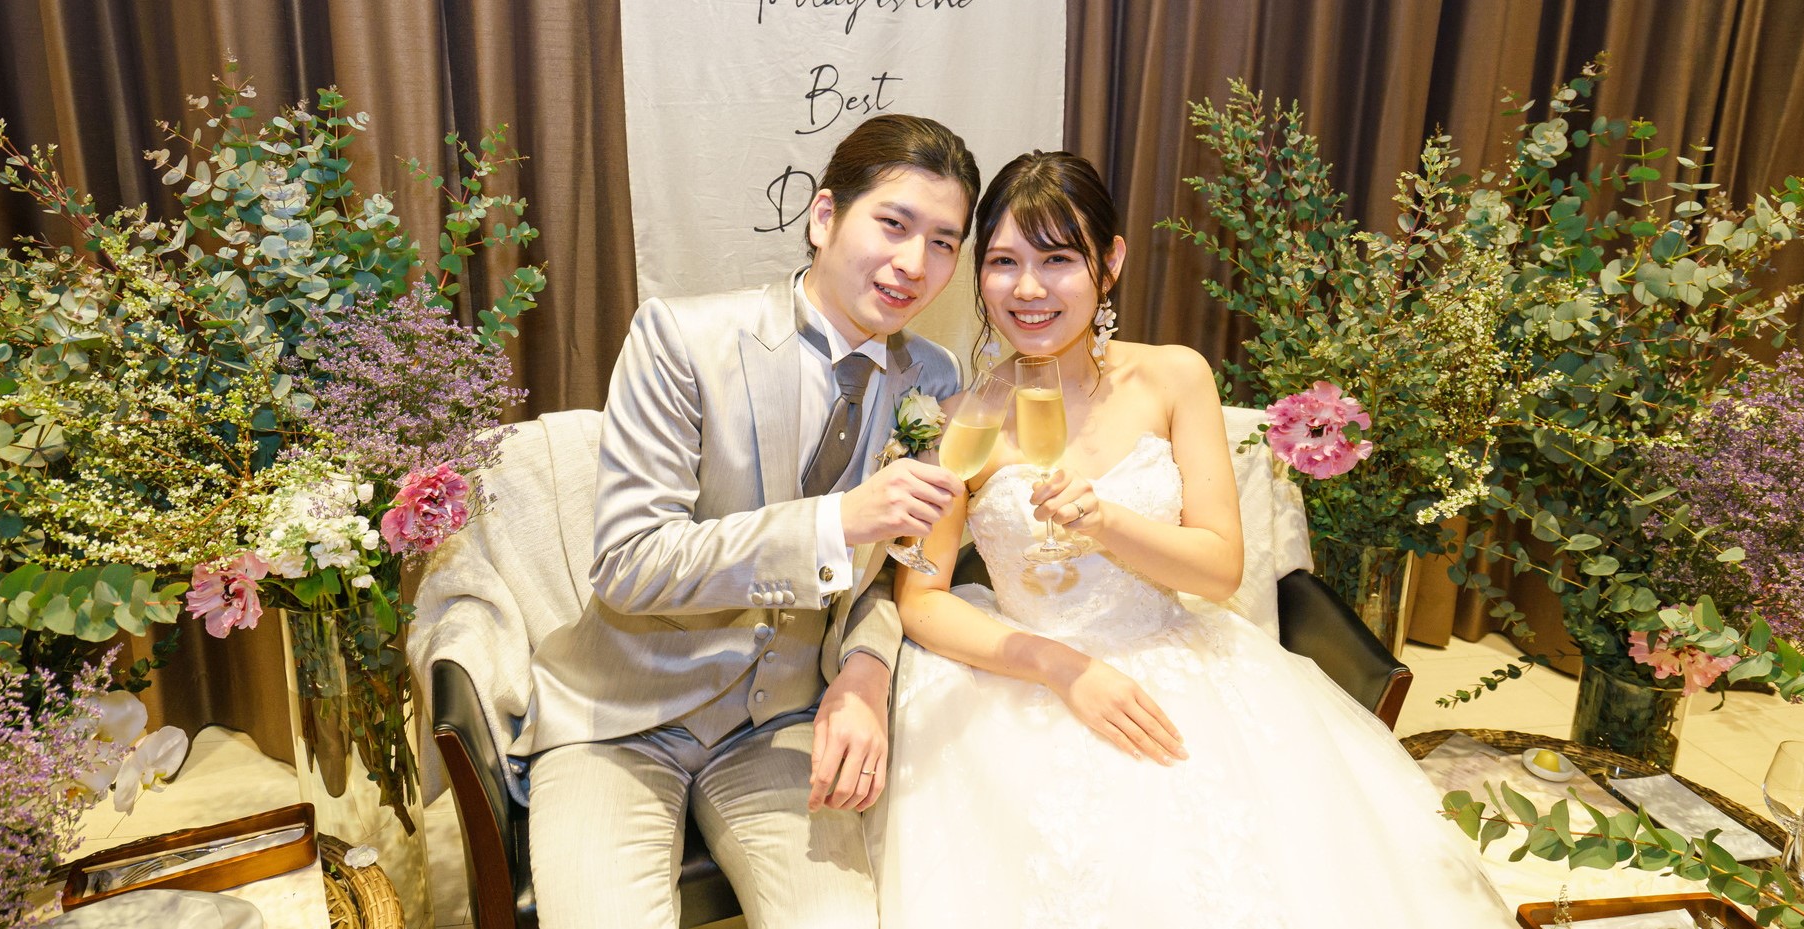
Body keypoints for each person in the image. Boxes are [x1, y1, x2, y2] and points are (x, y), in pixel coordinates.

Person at [879, 151, 1515, 928]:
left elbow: (1219, 570)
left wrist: (1105, 522)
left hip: (1174, 657)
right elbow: (922, 598)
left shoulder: (1176, 377)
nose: (1029, 288)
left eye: (1058, 260)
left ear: (1110, 262)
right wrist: (1061, 667)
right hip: (1025, 673)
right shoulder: (964, 417)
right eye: (1004, 262)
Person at [515, 114, 974, 929]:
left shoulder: (932, 380)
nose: (914, 263)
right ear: (824, 216)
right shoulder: (681, 338)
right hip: (618, 719)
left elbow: (897, 567)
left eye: (944, 242)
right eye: (894, 224)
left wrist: (866, 672)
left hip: (782, 722)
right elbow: (629, 561)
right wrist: (836, 521)